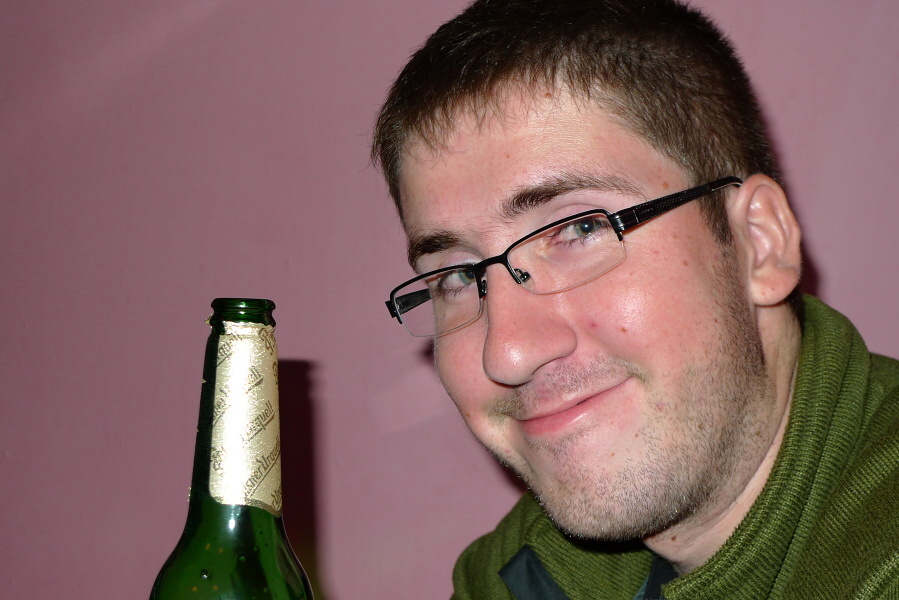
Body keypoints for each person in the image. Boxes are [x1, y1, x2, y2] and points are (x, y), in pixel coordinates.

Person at [372, 0, 899, 598]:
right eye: (457, 277)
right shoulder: (522, 572)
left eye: (578, 230)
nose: (508, 354)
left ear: (759, 242)